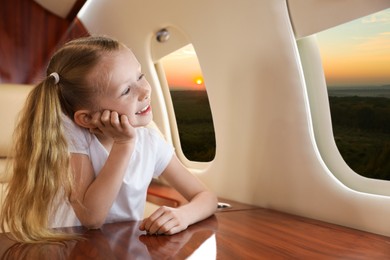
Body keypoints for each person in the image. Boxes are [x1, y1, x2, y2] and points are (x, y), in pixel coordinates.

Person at [0, 35, 218, 243]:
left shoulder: (150, 140)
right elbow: (92, 218)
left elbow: (205, 196)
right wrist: (124, 145)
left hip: (125, 246)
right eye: (126, 91)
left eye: (140, 76)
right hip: (72, 247)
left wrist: (183, 216)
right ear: (86, 118)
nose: (144, 91)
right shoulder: (74, 139)